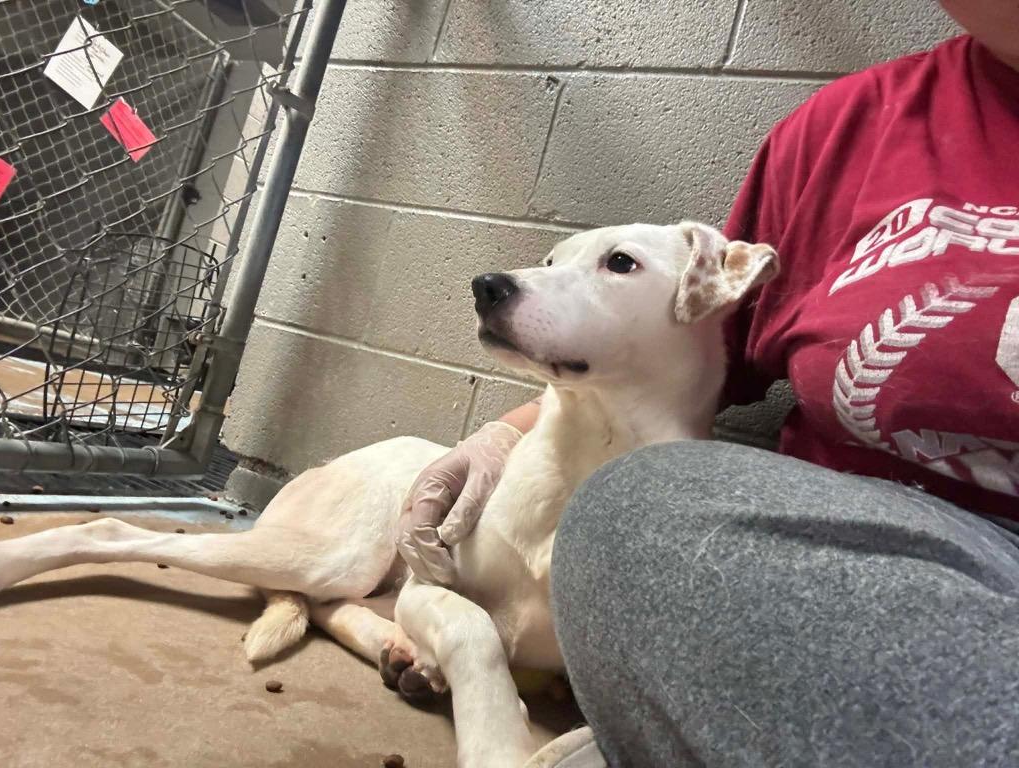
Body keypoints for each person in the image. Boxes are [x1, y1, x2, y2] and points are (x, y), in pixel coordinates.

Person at [398, 1, 1019, 764]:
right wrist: (504, 432)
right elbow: (690, 360)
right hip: (842, 548)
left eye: (614, 265)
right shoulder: (845, 130)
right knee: (639, 500)